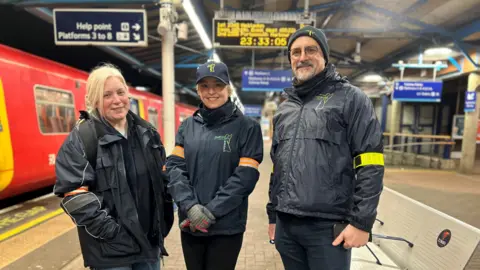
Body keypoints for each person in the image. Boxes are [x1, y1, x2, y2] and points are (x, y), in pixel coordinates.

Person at [266, 26, 384, 270]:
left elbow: (371, 162)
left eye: (311, 50)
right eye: (295, 52)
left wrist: (362, 222)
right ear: (290, 59)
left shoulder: (351, 99)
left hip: (327, 230)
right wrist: (273, 215)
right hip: (287, 227)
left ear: (325, 56)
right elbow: (277, 167)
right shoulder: (285, 108)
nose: (302, 57)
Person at [53, 63, 174, 270]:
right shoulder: (82, 139)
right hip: (110, 252)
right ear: (94, 100)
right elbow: (74, 196)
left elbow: (161, 179)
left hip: (149, 244)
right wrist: (113, 233)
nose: (117, 100)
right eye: (107, 95)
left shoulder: (147, 133)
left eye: (121, 92)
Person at [165, 60, 263, 270]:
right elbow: (174, 168)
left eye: (217, 85)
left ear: (227, 87)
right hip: (191, 224)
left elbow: (245, 178)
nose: (211, 92)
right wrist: (190, 206)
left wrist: (210, 212)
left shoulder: (247, 128)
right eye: (205, 86)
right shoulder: (187, 126)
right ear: (198, 90)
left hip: (226, 227)